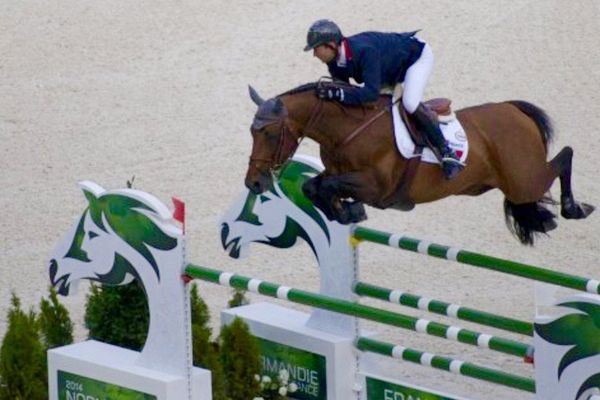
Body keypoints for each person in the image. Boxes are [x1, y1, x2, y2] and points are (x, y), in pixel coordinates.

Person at [304, 19, 464, 179]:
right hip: (387, 70)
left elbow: (370, 94)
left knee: (409, 103)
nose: (314, 54)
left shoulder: (364, 51)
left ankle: (447, 152)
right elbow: (346, 95)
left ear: (331, 44)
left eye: (316, 48)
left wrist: (338, 94)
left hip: (415, 58)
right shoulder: (334, 62)